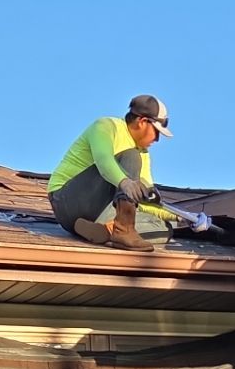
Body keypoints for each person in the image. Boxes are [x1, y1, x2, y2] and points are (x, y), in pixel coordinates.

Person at [48, 95, 173, 252]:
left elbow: (147, 201)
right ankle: (123, 231)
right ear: (142, 121)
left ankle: (107, 231)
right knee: (131, 156)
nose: (157, 139)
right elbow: (104, 161)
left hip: (93, 215)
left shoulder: (144, 154)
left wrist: (180, 217)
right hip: (66, 200)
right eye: (156, 132)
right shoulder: (106, 126)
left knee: (164, 228)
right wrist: (125, 182)